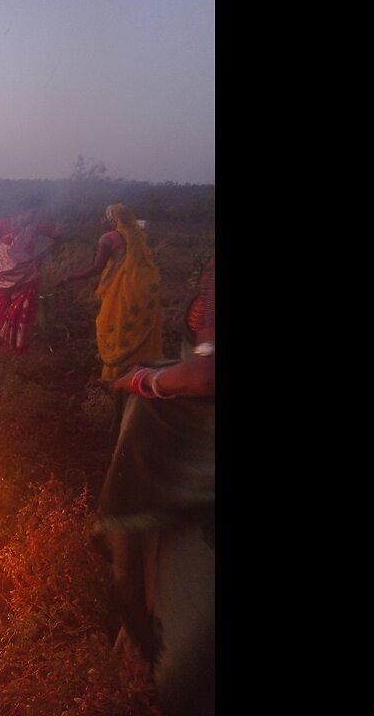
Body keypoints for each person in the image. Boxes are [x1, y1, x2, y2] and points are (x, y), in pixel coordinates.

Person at [97, 257, 214, 716]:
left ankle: (146, 643)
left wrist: (145, 380)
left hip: (199, 442)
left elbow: (205, 376)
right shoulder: (135, 248)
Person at [57, 203, 163, 380]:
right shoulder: (135, 235)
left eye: (103, 217)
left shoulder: (107, 238)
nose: (100, 221)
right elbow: (123, 265)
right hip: (143, 289)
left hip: (122, 291)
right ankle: (140, 369)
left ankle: (116, 372)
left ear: (112, 220)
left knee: (113, 324)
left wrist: (69, 277)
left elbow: (97, 267)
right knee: (135, 326)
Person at [0, 198, 62, 354]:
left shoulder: (36, 226)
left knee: (21, 315)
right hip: (2, 277)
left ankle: (18, 350)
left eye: (36, 213)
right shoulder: (3, 224)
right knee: (3, 311)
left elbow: (59, 236)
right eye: (31, 213)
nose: (33, 216)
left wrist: (42, 255)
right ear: (20, 211)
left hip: (27, 277)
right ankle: (2, 349)